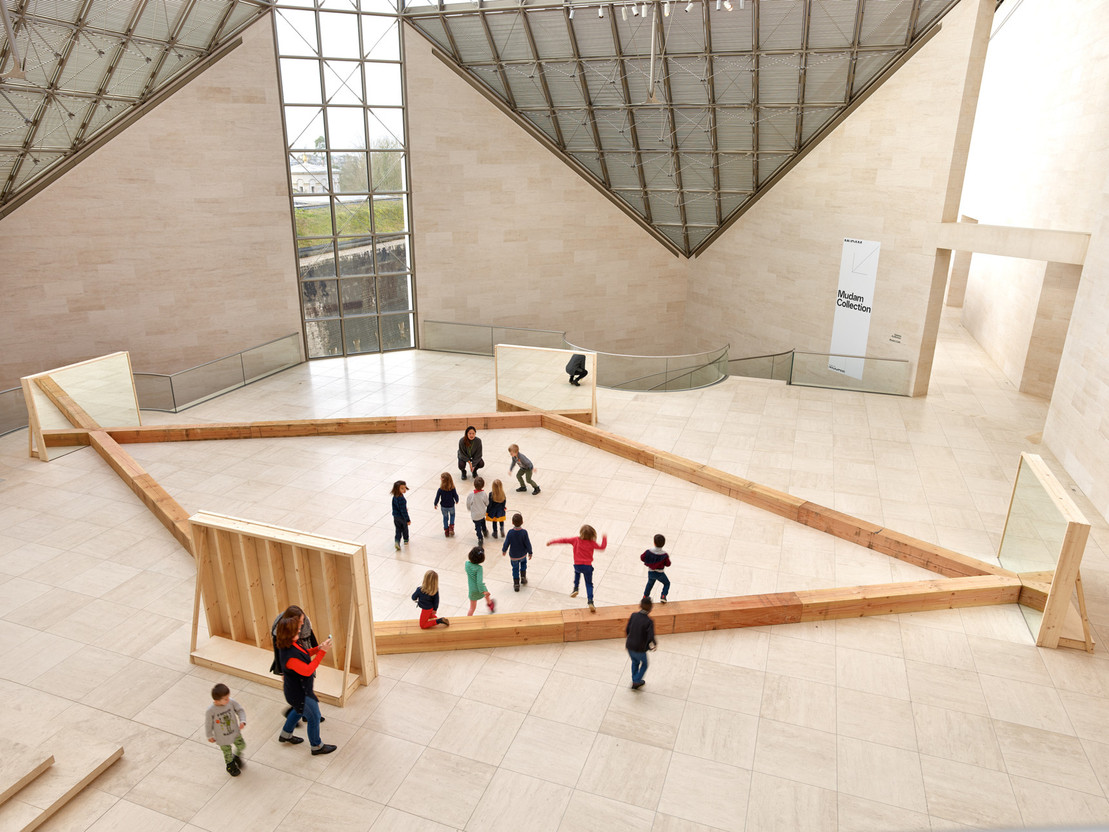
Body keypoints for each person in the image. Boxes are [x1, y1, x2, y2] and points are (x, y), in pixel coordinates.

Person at [275, 612, 337, 755]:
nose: (299, 630)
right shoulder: (289, 656)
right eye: (296, 629)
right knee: (314, 717)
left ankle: (286, 734)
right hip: (300, 694)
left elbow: (305, 653)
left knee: (298, 711)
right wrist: (323, 653)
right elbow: (308, 671)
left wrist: (318, 648)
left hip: (296, 691)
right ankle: (316, 746)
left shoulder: (292, 643)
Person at [547, 525, 607, 613]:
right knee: (589, 584)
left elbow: (564, 540)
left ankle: (575, 588)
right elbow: (602, 547)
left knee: (577, 573)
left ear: (581, 533)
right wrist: (604, 538)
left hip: (578, 565)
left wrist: (551, 542)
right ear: (593, 535)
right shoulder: (592, 543)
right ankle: (590, 601)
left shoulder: (575, 540)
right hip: (588, 566)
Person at [205, 683, 247, 776]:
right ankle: (230, 765)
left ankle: (236, 756)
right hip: (222, 736)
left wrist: (242, 721)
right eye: (225, 699)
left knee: (242, 745)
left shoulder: (230, 702)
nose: (228, 700)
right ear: (217, 700)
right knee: (227, 752)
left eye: (228, 697)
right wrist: (209, 735)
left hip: (235, 732)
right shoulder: (211, 710)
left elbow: (240, 710)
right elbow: (208, 724)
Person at [625, 597, 657, 690]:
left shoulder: (633, 615)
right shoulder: (649, 621)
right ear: (651, 608)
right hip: (639, 648)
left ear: (640, 605)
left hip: (630, 646)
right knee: (645, 664)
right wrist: (654, 644)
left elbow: (627, 629)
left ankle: (635, 678)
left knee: (635, 662)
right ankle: (636, 681)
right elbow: (650, 636)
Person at [501, 512, 532, 591]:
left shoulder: (510, 533)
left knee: (515, 568)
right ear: (522, 522)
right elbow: (527, 543)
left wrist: (504, 550)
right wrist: (530, 552)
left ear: (512, 522)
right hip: (522, 554)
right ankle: (523, 577)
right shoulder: (524, 532)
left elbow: (506, 543)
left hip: (514, 555)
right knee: (523, 564)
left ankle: (516, 584)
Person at [641, 533, 672, 603]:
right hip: (660, 573)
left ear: (654, 543)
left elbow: (642, 558)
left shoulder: (648, 551)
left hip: (651, 572)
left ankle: (645, 596)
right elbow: (668, 564)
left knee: (650, 583)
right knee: (667, 583)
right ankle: (663, 596)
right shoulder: (664, 554)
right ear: (663, 544)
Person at [466, 547, 495, 615]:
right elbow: (479, 582)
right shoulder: (479, 568)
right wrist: (483, 591)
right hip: (480, 589)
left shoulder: (466, 564)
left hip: (472, 590)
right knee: (487, 595)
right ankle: (490, 604)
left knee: (472, 608)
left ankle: (468, 619)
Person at [434, 472, 459, 538]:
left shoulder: (440, 489)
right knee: (452, 515)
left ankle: (446, 531)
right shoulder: (452, 489)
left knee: (445, 518)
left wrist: (435, 504)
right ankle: (451, 527)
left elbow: (437, 497)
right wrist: (457, 500)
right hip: (451, 505)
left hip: (443, 506)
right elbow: (455, 495)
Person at [467, 476, 489, 544]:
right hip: (482, 513)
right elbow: (487, 503)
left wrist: (470, 508)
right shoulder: (484, 494)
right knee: (483, 521)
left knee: (477, 527)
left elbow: (468, 504)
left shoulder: (471, 495)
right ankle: (485, 531)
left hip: (475, 515)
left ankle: (480, 538)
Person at [391, 480, 410, 551]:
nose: (404, 489)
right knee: (405, 528)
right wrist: (408, 519)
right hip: (402, 518)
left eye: (405, 487)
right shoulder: (401, 498)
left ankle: (397, 541)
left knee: (398, 529)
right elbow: (403, 511)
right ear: (397, 489)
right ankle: (405, 540)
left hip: (395, 517)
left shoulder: (394, 497)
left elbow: (397, 507)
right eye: (402, 488)